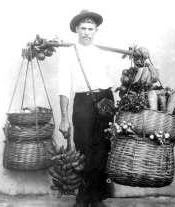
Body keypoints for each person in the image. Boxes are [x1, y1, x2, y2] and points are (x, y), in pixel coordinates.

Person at [57, 10, 116, 207]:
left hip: (105, 100)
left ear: (96, 30)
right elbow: (63, 87)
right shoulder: (69, 53)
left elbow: (111, 81)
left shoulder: (101, 53)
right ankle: (82, 198)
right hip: (83, 102)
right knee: (83, 149)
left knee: (102, 150)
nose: (87, 33)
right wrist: (64, 117)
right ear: (76, 29)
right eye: (83, 28)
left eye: (91, 29)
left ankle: (97, 198)